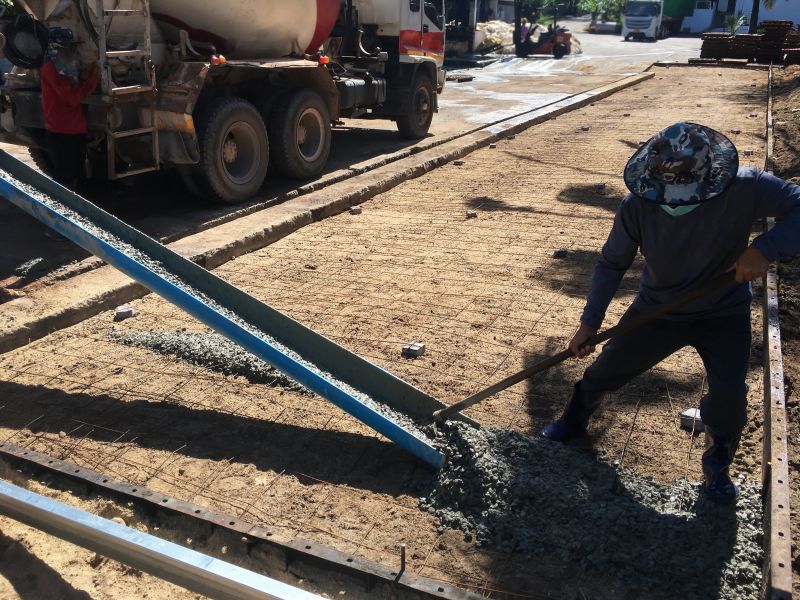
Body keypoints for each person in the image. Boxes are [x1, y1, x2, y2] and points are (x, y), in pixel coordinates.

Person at [539, 122, 800, 505]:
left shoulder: (746, 188)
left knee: (729, 394)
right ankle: (573, 421)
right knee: (606, 371)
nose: (677, 201)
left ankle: (716, 467)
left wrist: (765, 248)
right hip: (657, 311)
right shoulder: (639, 206)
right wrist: (588, 323)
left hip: (723, 312)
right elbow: (612, 264)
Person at [40, 27, 99, 190]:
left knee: (76, 174)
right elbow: (72, 98)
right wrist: (92, 82)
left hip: (73, 129)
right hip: (62, 130)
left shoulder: (62, 66)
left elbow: (71, 84)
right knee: (65, 177)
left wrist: (85, 75)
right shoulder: (51, 68)